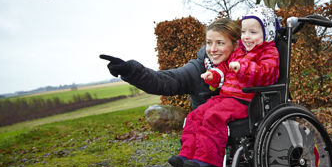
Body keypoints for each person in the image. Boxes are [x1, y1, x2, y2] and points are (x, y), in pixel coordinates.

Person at [169, 6, 280, 167]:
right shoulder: (240, 52)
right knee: (195, 115)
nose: (246, 36)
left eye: (253, 32)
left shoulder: (268, 53)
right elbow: (225, 68)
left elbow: (267, 74)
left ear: (267, 34)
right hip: (226, 97)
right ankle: (187, 154)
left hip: (245, 101)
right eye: (244, 32)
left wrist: (243, 68)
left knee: (213, 116)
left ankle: (208, 159)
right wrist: (214, 75)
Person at [100, 18, 241, 109]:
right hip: (207, 136)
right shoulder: (199, 69)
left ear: (235, 45)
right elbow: (164, 81)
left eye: (220, 43)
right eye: (209, 43)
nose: (213, 49)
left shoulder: (249, 67)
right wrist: (130, 71)